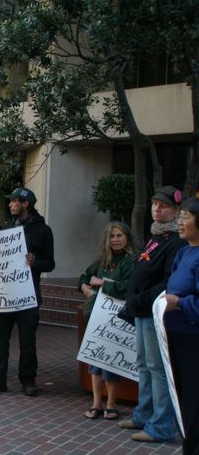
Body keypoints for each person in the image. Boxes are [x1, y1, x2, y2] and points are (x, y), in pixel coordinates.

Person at [120, 186, 185, 443]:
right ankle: (143, 414)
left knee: (156, 368)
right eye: (155, 204)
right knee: (143, 365)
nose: (157, 209)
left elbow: (169, 281)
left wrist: (142, 298)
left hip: (153, 312)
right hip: (141, 310)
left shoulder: (176, 241)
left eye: (164, 206)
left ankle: (161, 426)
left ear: (176, 211)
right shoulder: (156, 236)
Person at [0, 187, 54, 396]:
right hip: (3, 293)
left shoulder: (43, 230)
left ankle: (28, 381)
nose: (10, 205)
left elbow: (50, 263)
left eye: (14, 201)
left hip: (28, 295)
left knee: (27, 341)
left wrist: (35, 262)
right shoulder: (5, 228)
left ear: (25, 204)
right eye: (10, 201)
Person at [78, 222, 137, 420]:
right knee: (95, 360)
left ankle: (111, 403)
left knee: (111, 362)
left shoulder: (132, 261)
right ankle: (96, 402)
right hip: (97, 318)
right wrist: (84, 287)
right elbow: (85, 277)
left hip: (117, 319)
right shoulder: (102, 261)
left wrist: (104, 283)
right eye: (112, 236)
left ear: (127, 237)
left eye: (119, 235)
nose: (115, 239)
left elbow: (128, 287)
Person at [165, 196, 199, 455]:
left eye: (186, 216)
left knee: (194, 400)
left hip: (193, 338)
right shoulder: (183, 252)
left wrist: (180, 303)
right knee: (182, 398)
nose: (180, 221)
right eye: (180, 216)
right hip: (174, 335)